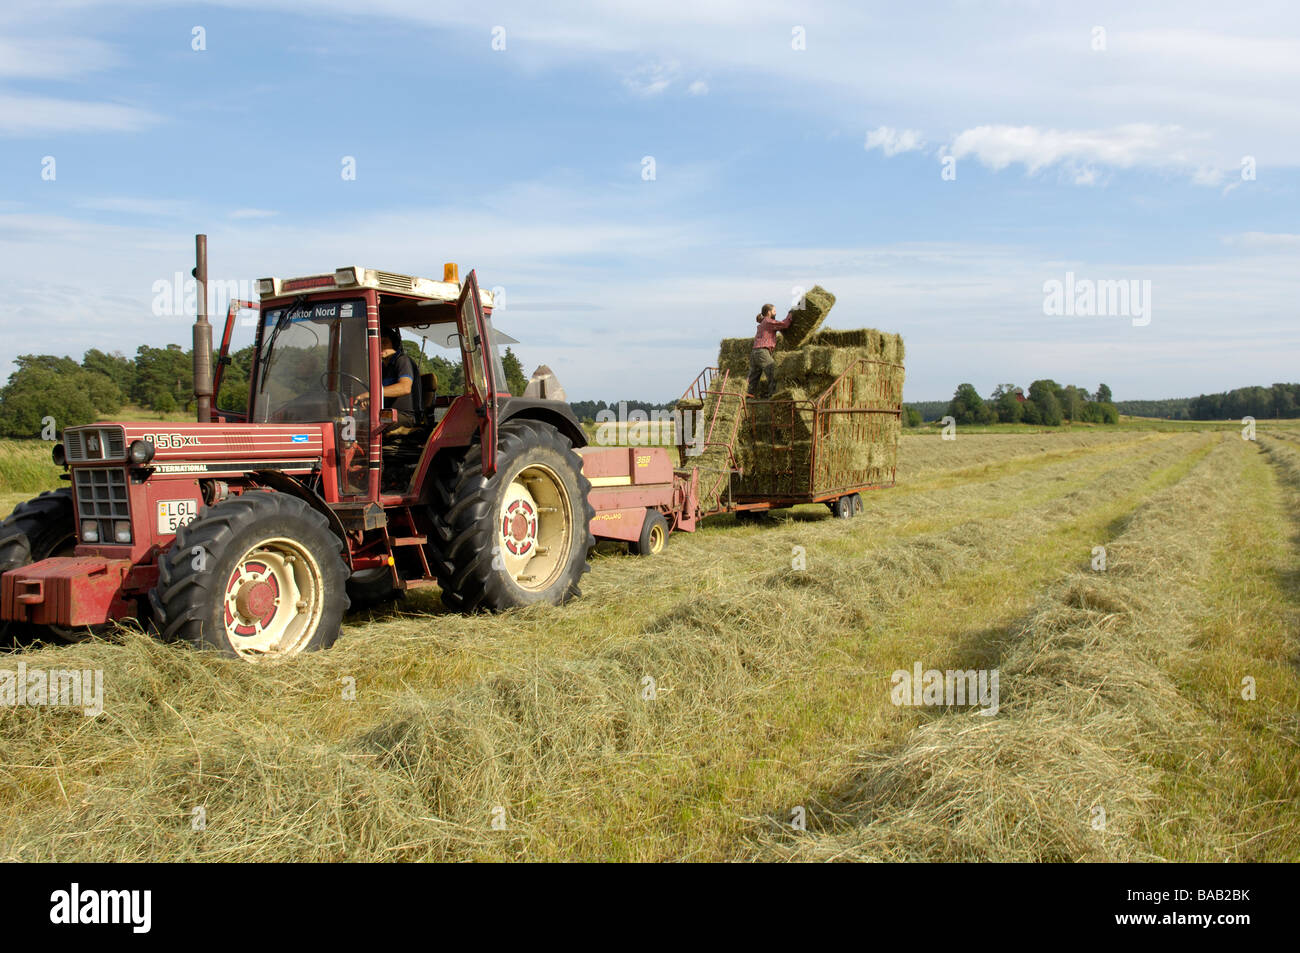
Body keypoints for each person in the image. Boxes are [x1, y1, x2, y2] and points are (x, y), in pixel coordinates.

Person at [747, 303, 793, 399]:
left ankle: (747, 397)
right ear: (769, 312)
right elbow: (784, 325)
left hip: (755, 352)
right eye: (774, 311)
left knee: (753, 379)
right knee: (773, 372)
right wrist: (790, 314)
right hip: (762, 352)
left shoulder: (764, 322)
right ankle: (773, 397)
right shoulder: (768, 321)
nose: (775, 313)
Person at [377, 327, 421, 427]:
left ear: (394, 345)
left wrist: (372, 394)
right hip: (387, 414)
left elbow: (405, 388)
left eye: (384, 343)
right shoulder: (382, 368)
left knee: (372, 424)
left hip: (406, 416)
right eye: (378, 343)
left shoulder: (403, 361)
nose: (380, 347)